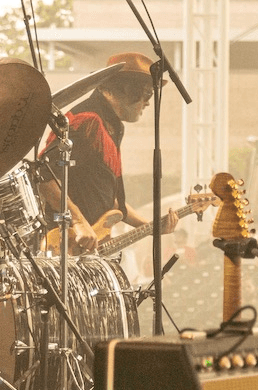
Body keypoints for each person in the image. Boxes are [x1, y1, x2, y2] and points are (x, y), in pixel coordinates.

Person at [39, 52, 178, 252]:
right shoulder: (87, 121)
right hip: (67, 244)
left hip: (89, 247)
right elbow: (42, 175)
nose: (148, 102)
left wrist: (150, 227)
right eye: (146, 93)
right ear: (126, 88)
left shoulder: (111, 125)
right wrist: (78, 222)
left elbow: (106, 197)